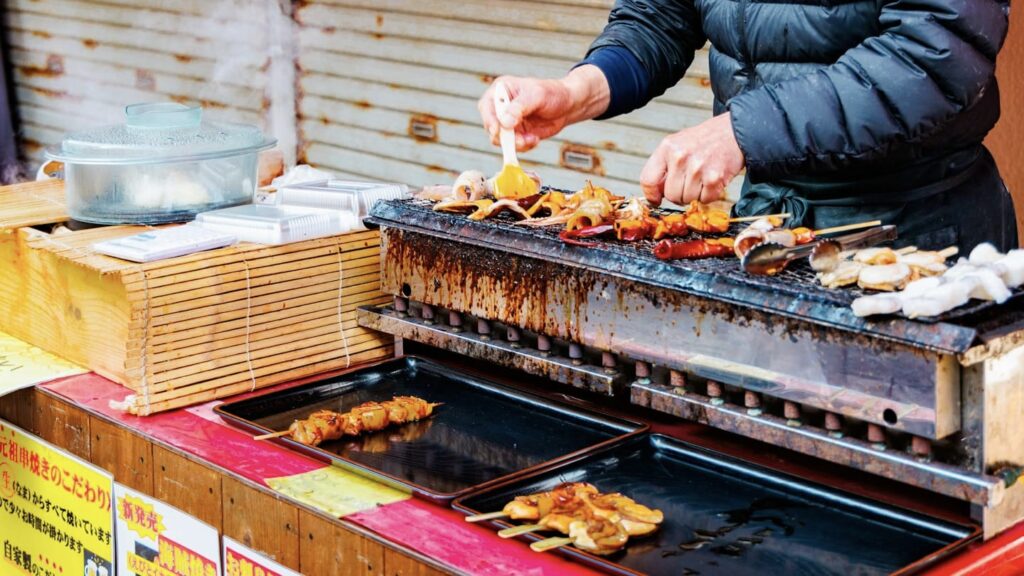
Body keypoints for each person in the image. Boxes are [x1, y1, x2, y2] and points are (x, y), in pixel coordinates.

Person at [478, 1, 1018, 252]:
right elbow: (659, 15)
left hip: (916, 231)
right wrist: (574, 92)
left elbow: (929, 57)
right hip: (767, 220)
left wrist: (742, 130)